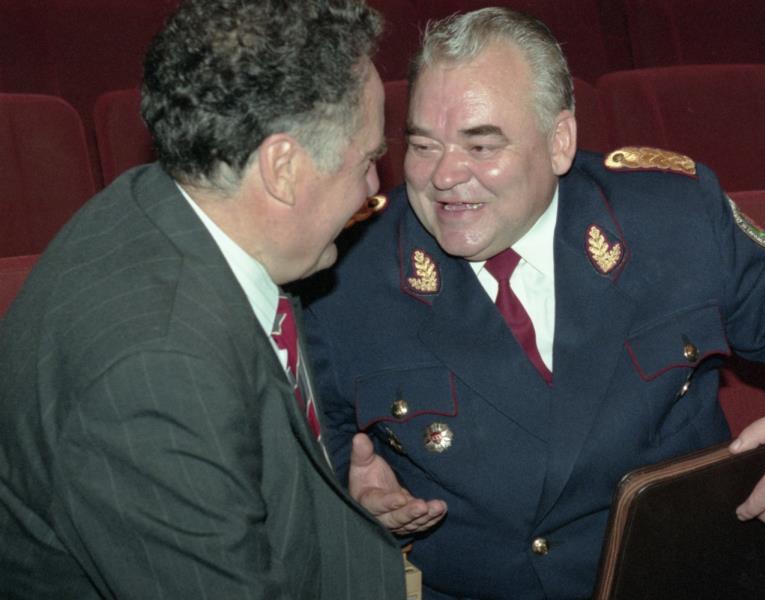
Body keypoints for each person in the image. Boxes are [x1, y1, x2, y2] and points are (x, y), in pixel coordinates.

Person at [303, 7, 765, 599]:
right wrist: (352, 506)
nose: (444, 175)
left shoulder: (666, 217)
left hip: (697, 575)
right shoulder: (345, 275)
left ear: (559, 142)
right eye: (423, 145)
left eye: (481, 146)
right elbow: (305, 475)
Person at [0, 0, 445, 597]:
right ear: (282, 168)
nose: (373, 188)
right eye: (367, 160)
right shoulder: (157, 373)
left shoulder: (175, 204)